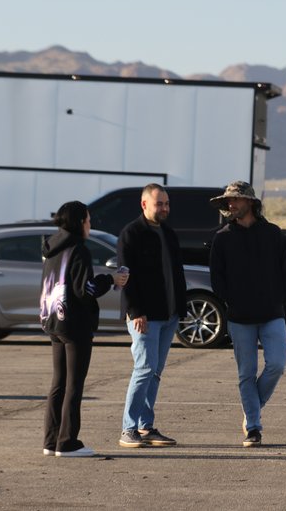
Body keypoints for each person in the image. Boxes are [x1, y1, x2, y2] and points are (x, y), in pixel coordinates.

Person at [40, 201, 129, 457]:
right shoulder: (78, 250)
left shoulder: (52, 247)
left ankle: (51, 440)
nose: (90, 225)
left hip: (54, 321)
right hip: (75, 324)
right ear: (80, 222)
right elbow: (86, 289)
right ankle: (67, 442)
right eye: (88, 220)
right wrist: (110, 279)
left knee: (58, 383)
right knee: (74, 385)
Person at [209, 181, 286, 447]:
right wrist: (231, 300)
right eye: (228, 202)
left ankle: (251, 409)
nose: (230, 205)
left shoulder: (273, 234)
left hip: (272, 314)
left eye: (235, 200)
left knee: (277, 364)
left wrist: (278, 299)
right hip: (239, 317)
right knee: (246, 374)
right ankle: (253, 428)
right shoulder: (222, 238)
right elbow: (217, 278)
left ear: (250, 203)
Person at [117, 184, 187, 448]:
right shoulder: (131, 234)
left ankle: (146, 427)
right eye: (160, 204)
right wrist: (135, 311)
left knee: (155, 371)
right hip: (143, 316)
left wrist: (180, 309)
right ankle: (128, 429)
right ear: (144, 204)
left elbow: (175, 274)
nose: (165, 208)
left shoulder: (168, 233)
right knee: (144, 369)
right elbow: (126, 277)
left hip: (168, 315)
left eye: (167, 203)